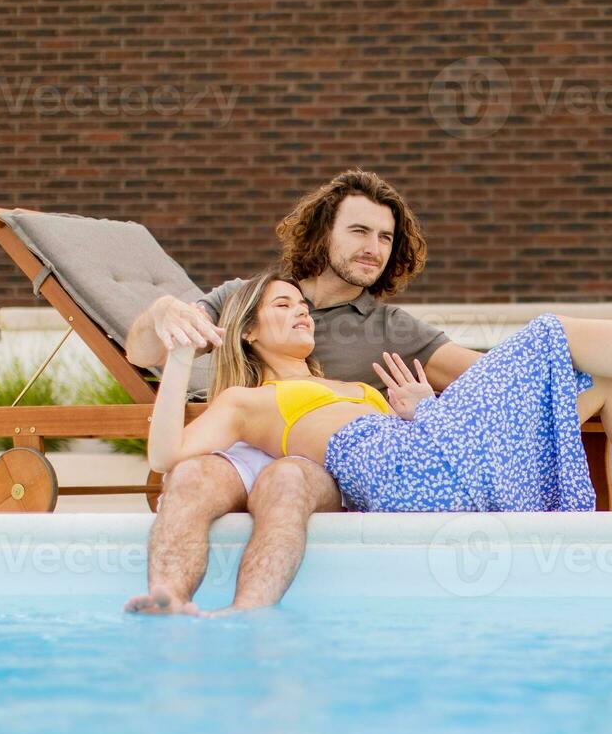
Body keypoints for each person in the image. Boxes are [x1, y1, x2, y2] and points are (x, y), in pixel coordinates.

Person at [145, 272, 612, 563]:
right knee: (552, 332)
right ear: (250, 333)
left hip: (436, 459)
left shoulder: (342, 385)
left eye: (301, 304)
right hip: (410, 483)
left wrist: (419, 410)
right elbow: (165, 457)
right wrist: (178, 362)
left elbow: (410, 437)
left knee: (611, 383)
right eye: (283, 306)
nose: (300, 312)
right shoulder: (248, 399)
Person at [123, 169, 483, 615]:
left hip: (316, 460)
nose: (374, 249)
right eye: (359, 231)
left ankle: (247, 614)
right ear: (323, 232)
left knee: (287, 477)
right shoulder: (249, 296)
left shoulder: (394, 329)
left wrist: (424, 409)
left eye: (386, 238)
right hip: (239, 444)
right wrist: (161, 313)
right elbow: (143, 352)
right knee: (190, 477)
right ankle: (167, 600)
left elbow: (488, 379)